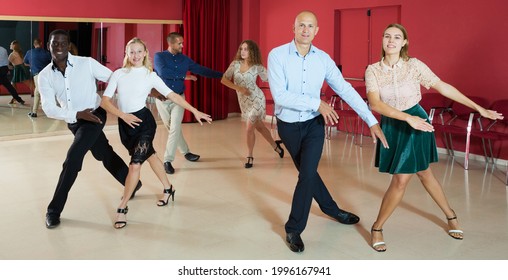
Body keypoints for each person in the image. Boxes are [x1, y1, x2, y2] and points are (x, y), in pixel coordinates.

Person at [365, 23, 504, 252]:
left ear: (404, 42)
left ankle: (377, 227)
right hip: (394, 123)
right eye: (387, 36)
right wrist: (405, 118)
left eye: (397, 37)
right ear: (382, 40)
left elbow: (443, 87)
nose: (391, 41)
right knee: (424, 173)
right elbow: (375, 103)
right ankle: (450, 215)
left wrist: (479, 108)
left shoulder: (414, 65)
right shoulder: (373, 70)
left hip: (417, 122)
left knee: (403, 178)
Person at [267, 10, 388, 253]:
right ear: (294, 27)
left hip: (314, 124)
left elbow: (344, 89)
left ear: (316, 30)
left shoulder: (322, 59)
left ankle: (293, 228)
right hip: (288, 125)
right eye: (301, 25)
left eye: (310, 26)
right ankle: (332, 209)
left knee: (307, 173)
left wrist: (370, 120)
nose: (305, 30)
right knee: (308, 172)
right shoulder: (277, 55)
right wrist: (317, 103)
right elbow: (280, 95)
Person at [101, 38, 212, 229]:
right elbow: (104, 101)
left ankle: (122, 207)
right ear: (126, 54)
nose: (135, 55)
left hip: (144, 123)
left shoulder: (150, 75)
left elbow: (173, 95)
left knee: (136, 164)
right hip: (125, 123)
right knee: (150, 156)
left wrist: (195, 111)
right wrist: (123, 116)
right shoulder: (118, 74)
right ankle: (169, 188)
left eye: (139, 51)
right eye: (131, 52)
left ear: (145, 53)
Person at [38, 29, 142, 229]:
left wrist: (148, 88)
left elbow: (116, 78)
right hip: (74, 119)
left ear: (69, 45)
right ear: (48, 45)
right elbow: (49, 108)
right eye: (54, 43)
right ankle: (132, 183)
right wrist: (77, 115)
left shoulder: (86, 63)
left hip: (95, 115)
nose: (58, 47)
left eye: (62, 43)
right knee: (102, 152)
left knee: (73, 159)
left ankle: (53, 210)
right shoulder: (45, 76)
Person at [154, 32, 223, 174]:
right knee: (172, 129)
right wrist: (185, 76)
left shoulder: (185, 59)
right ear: (171, 43)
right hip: (162, 100)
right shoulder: (159, 57)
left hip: (179, 99)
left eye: (182, 43)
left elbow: (201, 69)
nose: (182, 45)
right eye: (179, 43)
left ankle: (167, 160)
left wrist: (221, 75)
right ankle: (186, 152)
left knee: (174, 128)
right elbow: (163, 72)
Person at [221, 40, 284, 168]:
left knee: (249, 127)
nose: (243, 51)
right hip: (243, 101)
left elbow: (270, 79)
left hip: (257, 99)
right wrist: (238, 88)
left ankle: (249, 156)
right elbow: (224, 79)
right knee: (259, 127)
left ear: (252, 51)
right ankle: (275, 146)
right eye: (241, 49)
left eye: (246, 49)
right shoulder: (235, 64)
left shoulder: (258, 66)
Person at [24, 38, 51, 117]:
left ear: (34, 44)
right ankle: (35, 111)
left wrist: (32, 65)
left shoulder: (29, 52)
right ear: (41, 43)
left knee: (38, 92)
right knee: (40, 91)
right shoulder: (46, 53)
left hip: (37, 74)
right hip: (46, 75)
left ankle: (35, 112)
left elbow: (25, 63)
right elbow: (52, 62)